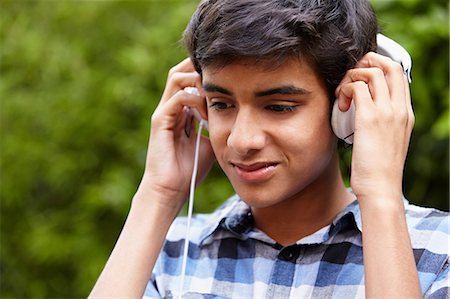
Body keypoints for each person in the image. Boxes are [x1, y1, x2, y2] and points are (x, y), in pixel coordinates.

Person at [89, 0, 449, 298]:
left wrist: (381, 195)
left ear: (351, 106)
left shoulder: (438, 253)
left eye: (278, 106)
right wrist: (158, 194)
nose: (241, 141)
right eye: (221, 103)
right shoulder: (168, 252)